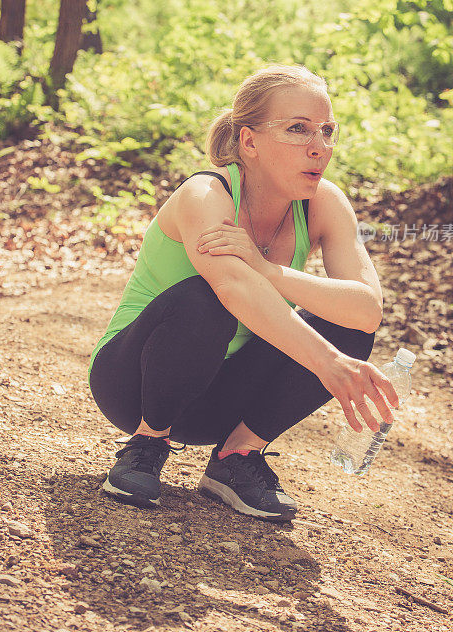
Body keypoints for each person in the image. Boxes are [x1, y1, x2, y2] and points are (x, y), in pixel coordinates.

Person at [88, 63, 399, 521]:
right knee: (205, 297)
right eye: (298, 129)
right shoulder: (205, 193)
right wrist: (327, 362)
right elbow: (232, 286)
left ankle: (236, 458)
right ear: (249, 141)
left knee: (347, 323)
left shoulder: (323, 203)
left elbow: (368, 309)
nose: (319, 147)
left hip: (218, 401)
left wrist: (269, 269)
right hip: (131, 383)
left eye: (327, 131)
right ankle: (146, 444)